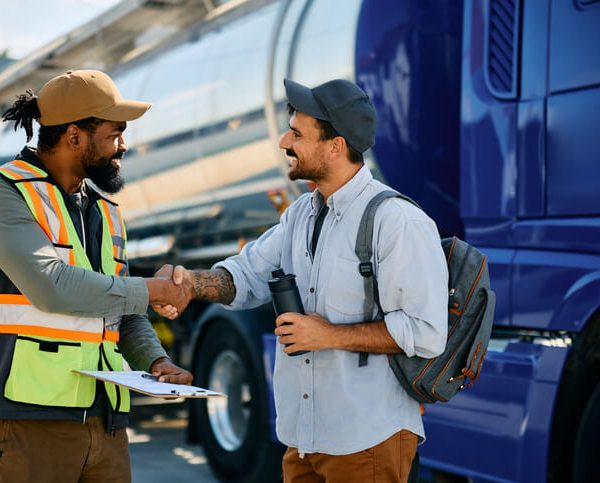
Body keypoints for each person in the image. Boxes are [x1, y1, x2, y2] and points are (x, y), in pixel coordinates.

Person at [156, 78, 448, 482]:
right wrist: (191, 284)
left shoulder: (396, 221)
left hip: (366, 439)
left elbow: (426, 331)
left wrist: (328, 334)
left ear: (335, 146)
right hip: (303, 440)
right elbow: (247, 274)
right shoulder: (300, 215)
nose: (282, 142)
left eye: (296, 133)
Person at [0, 70, 194, 483]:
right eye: (115, 133)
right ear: (74, 136)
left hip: (105, 422)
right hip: (28, 423)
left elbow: (119, 308)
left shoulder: (106, 212)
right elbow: (51, 287)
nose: (124, 145)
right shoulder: (7, 194)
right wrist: (151, 290)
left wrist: (156, 361)